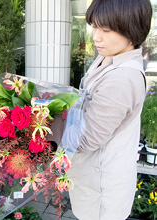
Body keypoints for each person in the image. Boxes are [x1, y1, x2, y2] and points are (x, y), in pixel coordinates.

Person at [67, 0, 153, 219]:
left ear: (132, 30)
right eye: (94, 26)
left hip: (101, 190)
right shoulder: (109, 56)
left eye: (105, 30)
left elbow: (86, 139)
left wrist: (39, 128)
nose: (96, 36)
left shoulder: (122, 77)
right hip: (91, 177)